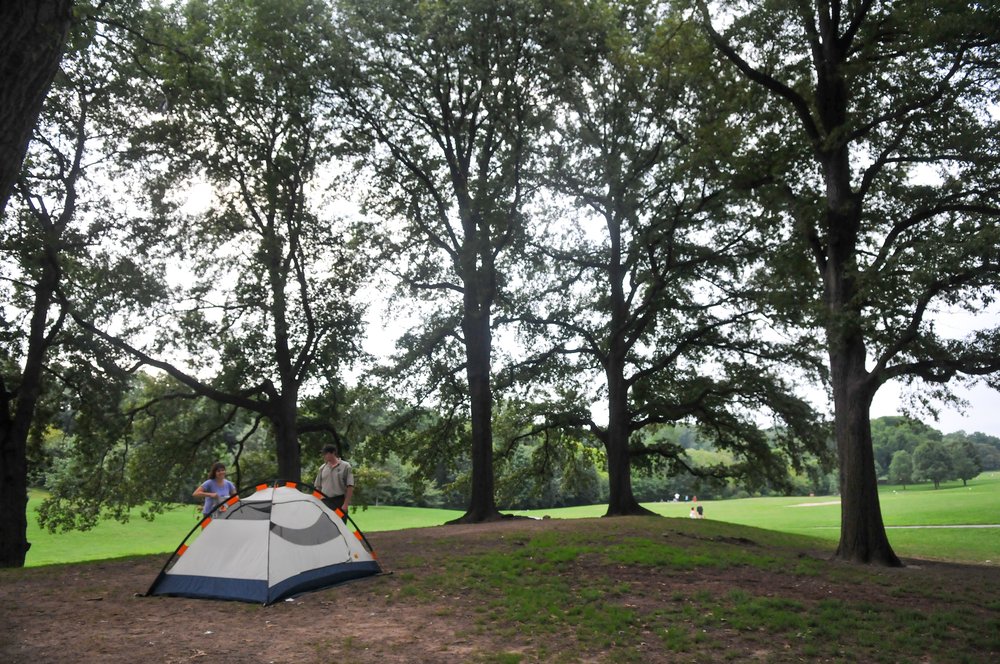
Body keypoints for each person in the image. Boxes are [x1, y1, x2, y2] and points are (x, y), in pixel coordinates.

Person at [314, 444, 354, 515]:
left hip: (339, 502)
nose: (324, 456)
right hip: (325, 502)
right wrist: (316, 503)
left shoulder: (345, 466)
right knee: (326, 525)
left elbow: (350, 486)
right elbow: (318, 487)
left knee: (339, 524)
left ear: (333, 453)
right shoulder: (322, 468)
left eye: (325, 454)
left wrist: (345, 504)